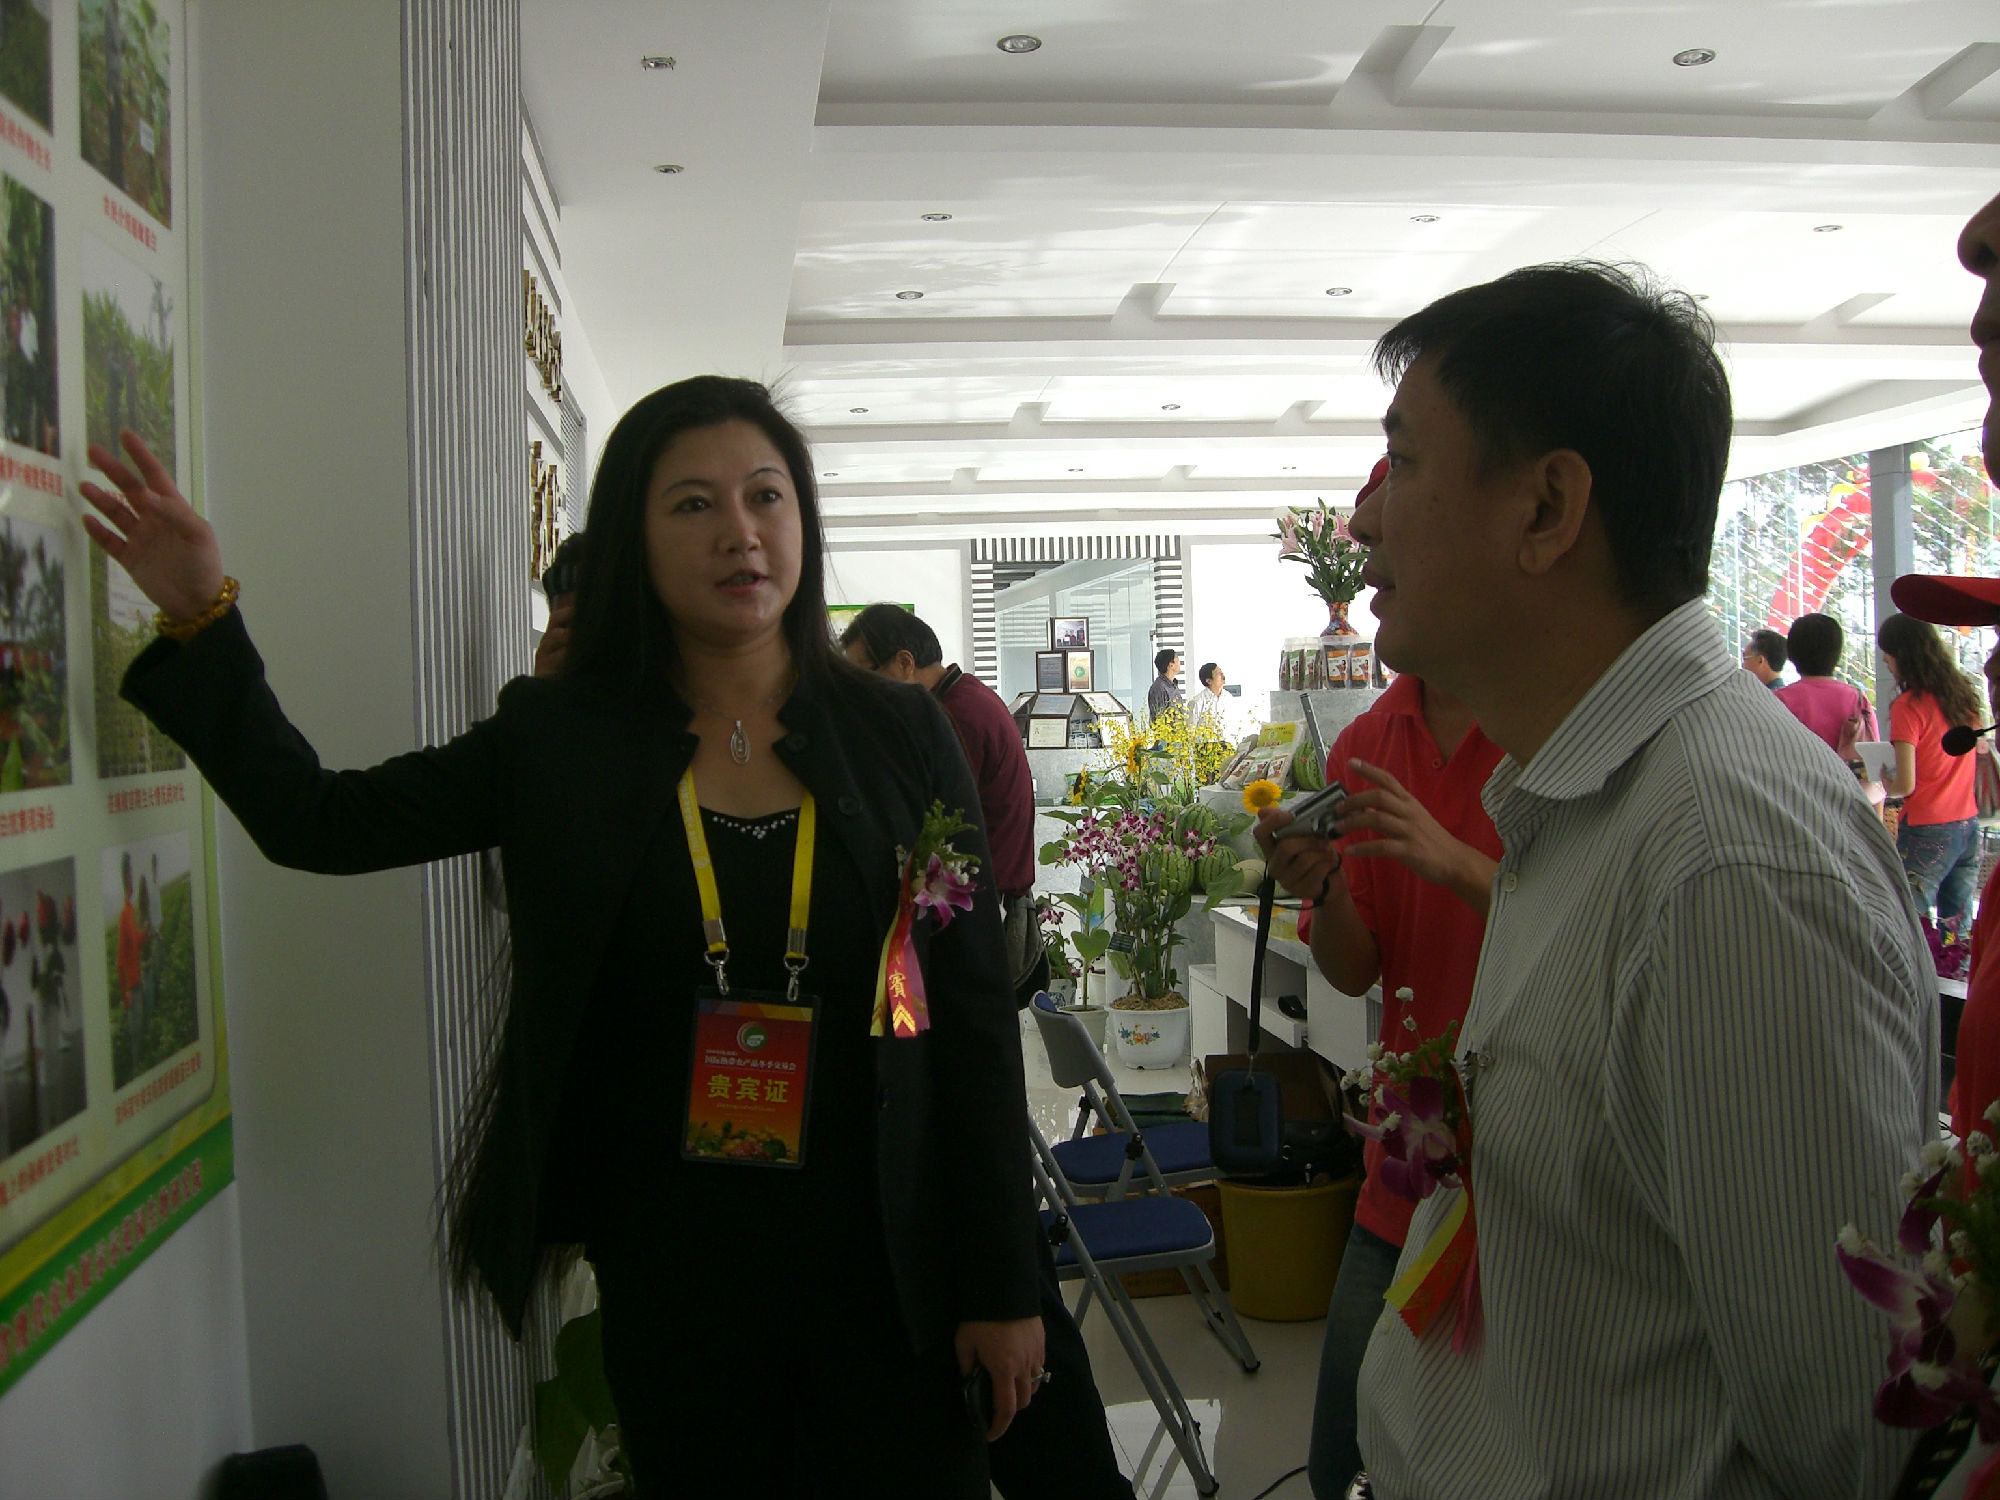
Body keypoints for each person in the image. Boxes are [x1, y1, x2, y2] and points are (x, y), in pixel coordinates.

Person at [80, 376, 1047, 1498]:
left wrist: (1003, 1284)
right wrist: (202, 617)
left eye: (765, 495)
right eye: (693, 504)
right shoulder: (560, 738)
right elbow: (321, 822)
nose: (739, 532)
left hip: (893, 1269)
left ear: (802, 521)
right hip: (674, 1275)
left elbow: (971, 1017)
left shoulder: (904, 739)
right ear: (634, 537)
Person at [1313, 261, 1931, 1499]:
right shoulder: (1578, 801)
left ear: (1546, 508)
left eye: (1404, 463)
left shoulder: (1725, 864)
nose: (1362, 524)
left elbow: (1847, 1440)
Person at [1260, 658, 1503, 1500]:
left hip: (1533, 1171)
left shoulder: (1542, 726)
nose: (1372, 595)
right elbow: (1353, 968)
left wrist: (1453, 862)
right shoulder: (1367, 744)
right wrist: (1323, 888)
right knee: (1344, 1458)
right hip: (1408, 1169)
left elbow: (1586, 919)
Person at [837, 604, 1043, 999]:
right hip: (980, 897)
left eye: (865, 677)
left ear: (904, 663)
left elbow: (934, 825)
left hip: (972, 909)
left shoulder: (953, 717)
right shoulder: (968, 695)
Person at [1878, 611, 1983, 933]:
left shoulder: (1908, 706)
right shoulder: (1961, 696)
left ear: (1903, 655)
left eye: (1888, 654)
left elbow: (1906, 784)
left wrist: (1885, 782)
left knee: (1908, 919)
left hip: (1927, 828)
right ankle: (1954, 964)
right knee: (1957, 925)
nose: (1885, 661)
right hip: (1967, 824)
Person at [1774, 611, 1878, 754]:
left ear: (1790, 654)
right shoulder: (1857, 699)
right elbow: (1873, 747)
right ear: (1838, 653)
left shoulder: (1779, 700)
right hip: (1846, 769)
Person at [1187, 662, 1229, 734]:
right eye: (1218, 673)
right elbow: (1190, 731)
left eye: (1221, 671)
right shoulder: (1196, 702)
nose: (1222, 674)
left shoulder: (1228, 698)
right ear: (1209, 681)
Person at [1146, 648, 1183, 719]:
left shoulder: (1173, 686)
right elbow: (1158, 717)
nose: (1179, 663)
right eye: (1177, 660)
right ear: (1171, 665)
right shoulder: (1159, 688)